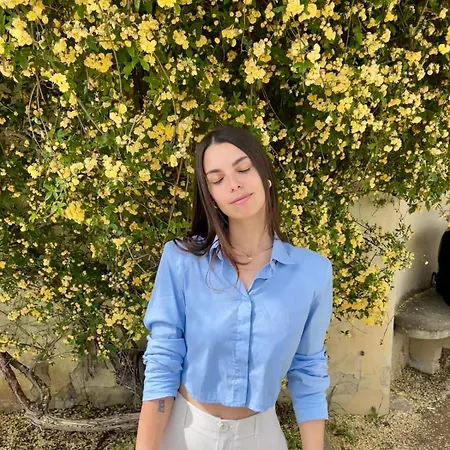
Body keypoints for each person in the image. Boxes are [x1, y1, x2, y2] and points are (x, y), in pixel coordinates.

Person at [135, 125, 333, 450]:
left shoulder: (313, 273)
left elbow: (308, 370)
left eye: (243, 169)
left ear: (265, 175)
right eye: (217, 179)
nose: (234, 184)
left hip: (261, 437)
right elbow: (163, 360)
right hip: (186, 433)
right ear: (211, 197)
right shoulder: (182, 261)